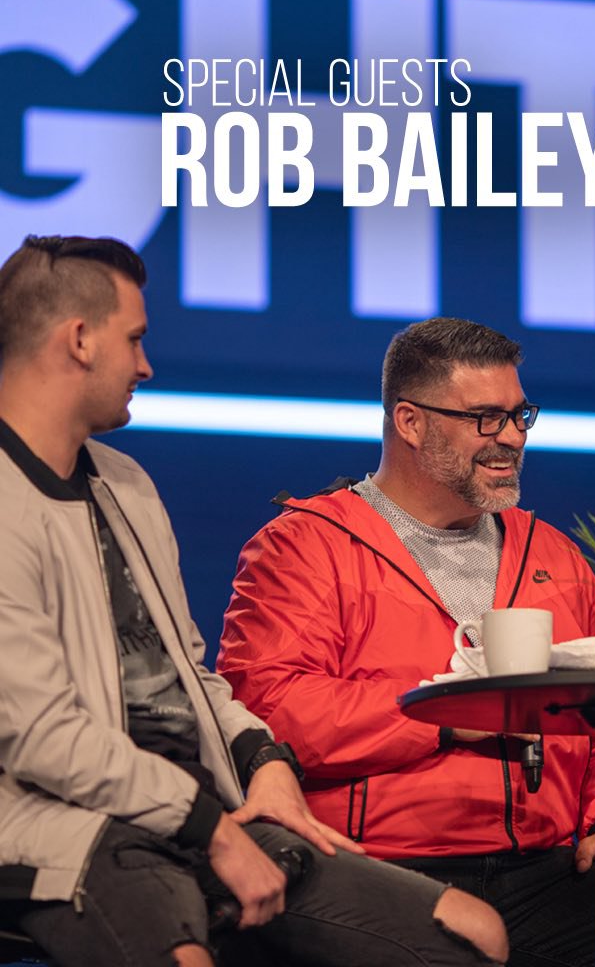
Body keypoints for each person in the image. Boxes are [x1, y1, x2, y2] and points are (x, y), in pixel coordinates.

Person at [0, 236, 507, 967]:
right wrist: (208, 826)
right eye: (134, 339)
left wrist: (262, 759)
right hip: (66, 829)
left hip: (195, 815)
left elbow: (190, 676)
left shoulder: (126, 484)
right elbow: (44, 738)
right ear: (78, 340)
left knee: (474, 935)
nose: (145, 365)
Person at [218, 316, 595, 967]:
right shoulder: (304, 546)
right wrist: (451, 712)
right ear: (410, 422)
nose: (512, 437)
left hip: (544, 869)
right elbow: (270, 710)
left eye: (520, 416)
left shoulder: (555, 556)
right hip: (374, 862)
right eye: (486, 419)